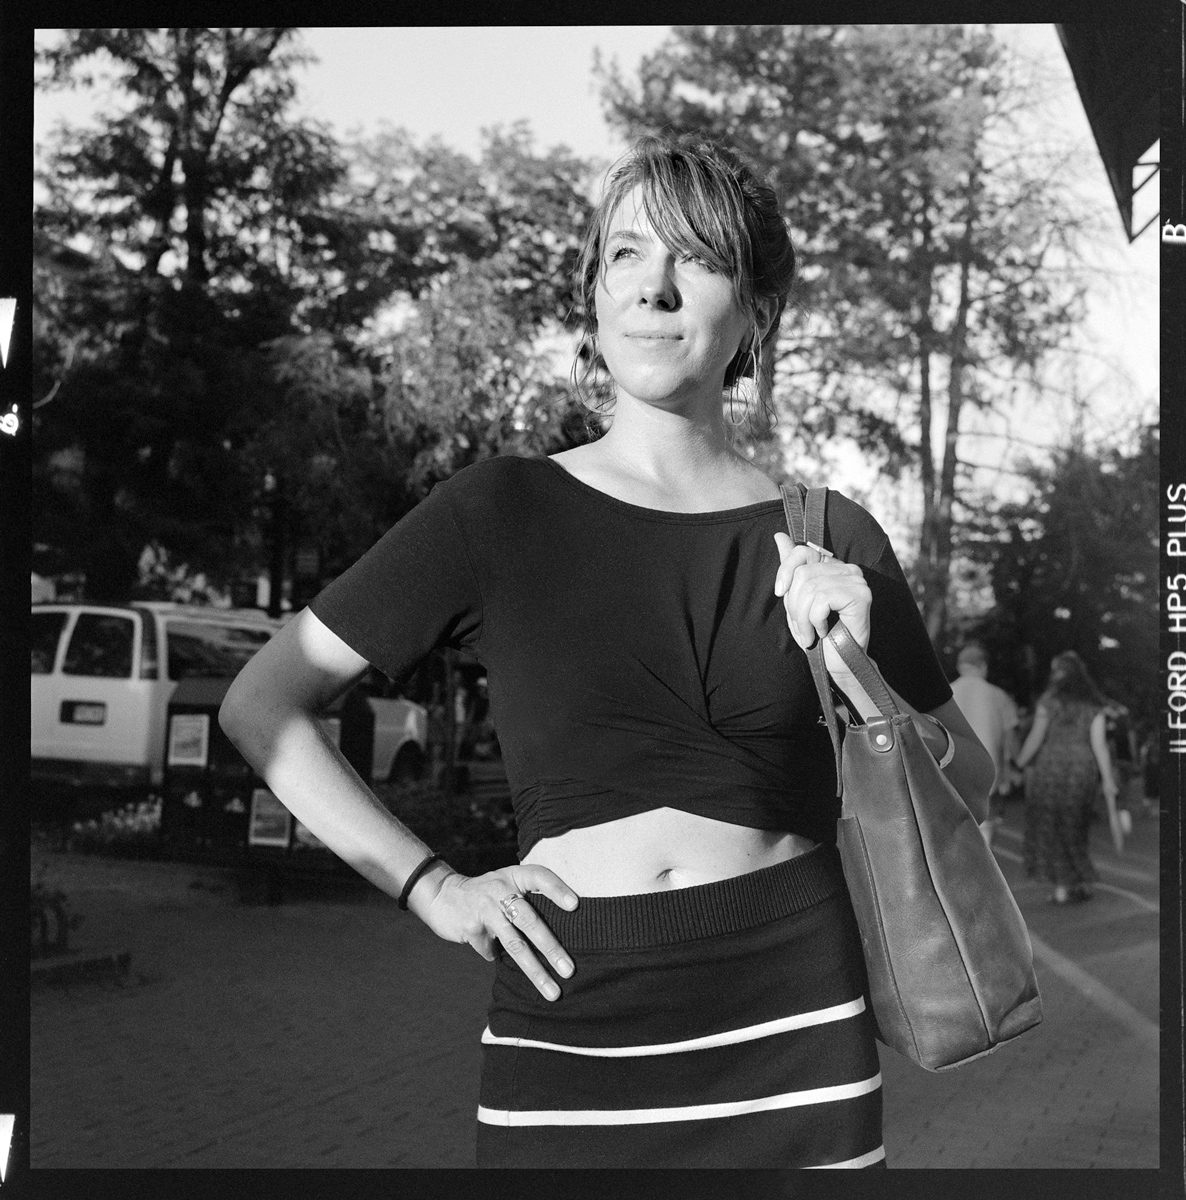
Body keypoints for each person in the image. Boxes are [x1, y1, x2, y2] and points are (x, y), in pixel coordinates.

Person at [219, 135, 993, 1170]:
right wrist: (433, 888)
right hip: (570, 1012)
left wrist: (867, 676)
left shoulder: (831, 534)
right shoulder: (497, 511)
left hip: (795, 1018)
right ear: (592, 293)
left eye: (696, 259)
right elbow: (262, 704)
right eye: (624, 253)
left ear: (754, 317)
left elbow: (970, 783)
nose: (654, 288)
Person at [1011, 650, 1122, 904]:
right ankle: (1073, 884)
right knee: (1074, 826)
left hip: (1050, 767)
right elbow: (1100, 746)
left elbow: (1036, 739)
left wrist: (1018, 763)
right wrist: (1108, 780)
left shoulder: (1049, 702)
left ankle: (1062, 888)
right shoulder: (1093, 705)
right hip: (1081, 770)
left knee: (1051, 825)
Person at [948, 643, 1018, 847]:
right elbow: (1009, 739)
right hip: (988, 770)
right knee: (985, 824)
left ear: (960, 666)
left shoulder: (945, 694)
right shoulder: (998, 695)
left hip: (951, 768)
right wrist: (1011, 770)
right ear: (984, 666)